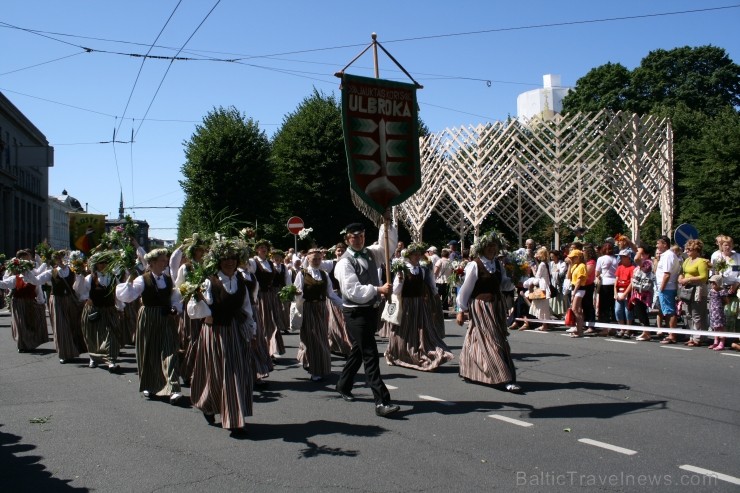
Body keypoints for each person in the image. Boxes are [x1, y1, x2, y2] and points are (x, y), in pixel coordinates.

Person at [187, 237, 256, 433]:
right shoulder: (209, 281)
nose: (230, 261)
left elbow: (246, 307)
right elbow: (193, 309)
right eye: (225, 258)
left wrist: (251, 329)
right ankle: (209, 404)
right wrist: (207, 313)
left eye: (233, 258)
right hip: (216, 332)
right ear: (218, 260)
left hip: (236, 330)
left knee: (236, 372)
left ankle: (233, 417)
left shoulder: (240, 281)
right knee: (217, 373)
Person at [334, 218, 400, 417]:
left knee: (358, 350)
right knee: (370, 354)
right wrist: (378, 289)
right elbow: (352, 290)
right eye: (354, 238)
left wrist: (386, 225)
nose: (359, 240)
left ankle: (343, 385)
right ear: (347, 240)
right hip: (355, 312)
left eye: (361, 236)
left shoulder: (371, 253)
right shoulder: (344, 262)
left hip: (371, 310)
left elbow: (387, 246)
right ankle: (381, 401)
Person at [116, 248, 183, 404]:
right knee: (149, 351)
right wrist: (129, 281)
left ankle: (173, 388)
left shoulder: (167, 279)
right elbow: (128, 296)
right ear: (152, 263)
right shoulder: (142, 279)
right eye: (162, 260)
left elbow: (174, 297)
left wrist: (174, 308)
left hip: (166, 318)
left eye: (165, 260)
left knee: (170, 351)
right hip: (149, 317)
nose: (165, 262)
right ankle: (149, 385)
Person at [455, 231, 520, 392]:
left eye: (494, 246)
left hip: (496, 306)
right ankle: (505, 377)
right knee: (494, 340)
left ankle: (468, 368)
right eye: (489, 246)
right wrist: (461, 309)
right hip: (481, 305)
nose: (492, 249)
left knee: (476, 337)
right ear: (482, 248)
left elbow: (503, 285)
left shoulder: (498, 265)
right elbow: (466, 289)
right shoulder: (475, 265)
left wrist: (514, 279)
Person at [386, 242, 453, 371]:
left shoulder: (422, 269)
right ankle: (394, 352)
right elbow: (396, 290)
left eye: (418, 254)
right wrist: (399, 281)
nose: (417, 257)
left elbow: (430, 284)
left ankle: (419, 350)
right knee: (402, 329)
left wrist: (434, 295)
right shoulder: (403, 269)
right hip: (406, 303)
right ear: (409, 256)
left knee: (421, 329)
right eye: (414, 254)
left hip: (419, 303)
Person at [294, 248, 343, 381]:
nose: (316, 261)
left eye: (319, 259)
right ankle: (315, 369)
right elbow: (295, 291)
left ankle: (318, 365)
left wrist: (344, 306)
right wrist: (298, 295)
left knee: (321, 338)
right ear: (308, 259)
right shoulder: (302, 274)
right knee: (312, 339)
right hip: (308, 308)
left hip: (321, 308)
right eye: (314, 259)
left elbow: (331, 294)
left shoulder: (324, 274)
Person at [75, 251, 124, 372]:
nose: (103, 265)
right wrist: (87, 297)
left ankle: (111, 360)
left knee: (111, 334)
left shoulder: (113, 277)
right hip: (94, 310)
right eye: (100, 263)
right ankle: (93, 357)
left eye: (105, 262)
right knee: (92, 335)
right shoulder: (90, 278)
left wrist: (121, 307)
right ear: (95, 264)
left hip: (109, 310)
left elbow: (118, 294)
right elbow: (80, 291)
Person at [35, 250, 86, 363]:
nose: (60, 260)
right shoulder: (51, 272)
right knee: (60, 326)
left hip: (69, 300)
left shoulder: (73, 272)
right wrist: (25, 272)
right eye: (58, 258)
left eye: (62, 257)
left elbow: (78, 288)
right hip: (57, 300)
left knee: (73, 324)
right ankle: (64, 353)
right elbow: (36, 280)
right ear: (55, 260)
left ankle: (75, 349)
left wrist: (81, 275)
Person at [2, 250, 49, 352]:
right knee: (20, 324)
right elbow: (4, 283)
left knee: (30, 323)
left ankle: (29, 343)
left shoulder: (33, 277)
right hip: (18, 303)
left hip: (30, 303)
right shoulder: (15, 277)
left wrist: (41, 302)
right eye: (23, 259)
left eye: (27, 259)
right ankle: (22, 345)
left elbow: (38, 289)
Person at [678, 239, 709, 347]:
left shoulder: (701, 262)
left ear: (696, 250)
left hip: (698, 290)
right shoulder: (687, 260)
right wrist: (681, 278)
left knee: (697, 314)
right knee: (688, 314)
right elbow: (682, 272)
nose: (687, 251)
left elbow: (704, 277)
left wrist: (689, 280)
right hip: (687, 290)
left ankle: (698, 337)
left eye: (689, 249)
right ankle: (691, 335)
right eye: (686, 249)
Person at [710, 235, 740, 334]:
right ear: (721, 246)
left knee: (731, 312)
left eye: (730, 245)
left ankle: (731, 335)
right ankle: (719, 336)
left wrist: (736, 283)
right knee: (718, 313)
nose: (728, 247)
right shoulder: (717, 257)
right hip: (720, 287)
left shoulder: (737, 257)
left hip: (733, 286)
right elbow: (713, 272)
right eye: (725, 245)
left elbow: (738, 272)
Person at [656, 236, 683, 344]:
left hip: (667, 288)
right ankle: (669, 334)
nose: (657, 246)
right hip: (666, 287)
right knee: (667, 312)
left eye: (658, 244)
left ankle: (672, 335)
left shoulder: (668, 256)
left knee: (670, 312)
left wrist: (661, 288)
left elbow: (667, 274)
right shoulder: (666, 255)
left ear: (665, 244)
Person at [630, 259, 656, 341]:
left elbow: (647, 286)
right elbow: (634, 281)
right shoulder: (638, 270)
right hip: (637, 295)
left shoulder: (650, 272)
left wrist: (639, 286)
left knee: (643, 312)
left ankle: (647, 333)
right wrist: (638, 286)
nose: (644, 268)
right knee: (638, 312)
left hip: (645, 296)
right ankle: (644, 331)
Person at [595, 242, 618, 328]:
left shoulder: (601, 259)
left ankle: (604, 321)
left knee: (604, 304)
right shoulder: (615, 259)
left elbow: (597, 273)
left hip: (605, 282)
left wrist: (599, 276)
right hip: (614, 282)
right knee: (613, 303)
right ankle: (614, 320)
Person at [613, 249, 636, 338]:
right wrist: (615, 293)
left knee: (628, 311)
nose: (621, 259)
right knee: (618, 310)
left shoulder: (632, 268)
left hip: (627, 292)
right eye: (621, 257)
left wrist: (626, 293)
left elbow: (631, 282)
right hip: (619, 291)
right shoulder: (619, 267)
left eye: (623, 257)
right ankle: (621, 328)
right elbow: (616, 281)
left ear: (628, 258)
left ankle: (628, 329)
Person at [566, 249, 587, 338]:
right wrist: (570, 265)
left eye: (573, 257)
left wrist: (574, 293)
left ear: (578, 257)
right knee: (578, 310)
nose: (572, 259)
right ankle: (578, 329)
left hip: (579, 289)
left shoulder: (582, 266)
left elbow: (579, 281)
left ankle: (580, 331)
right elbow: (568, 276)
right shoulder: (575, 266)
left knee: (574, 309)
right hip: (574, 288)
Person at [707, 274, 729, 351]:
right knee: (715, 327)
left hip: (719, 312)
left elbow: (726, 301)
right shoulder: (711, 291)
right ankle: (715, 341)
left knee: (720, 327)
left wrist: (719, 306)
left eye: (714, 282)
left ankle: (722, 343)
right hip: (712, 311)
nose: (712, 284)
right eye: (711, 282)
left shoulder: (722, 291)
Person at [434, 248, 453, 317]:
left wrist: (434, 277)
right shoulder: (450, 262)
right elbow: (451, 272)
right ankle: (445, 313)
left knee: (437, 298)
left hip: (440, 281)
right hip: (447, 282)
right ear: (448, 255)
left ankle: (436, 312)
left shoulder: (440, 261)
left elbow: (435, 271)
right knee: (445, 298)